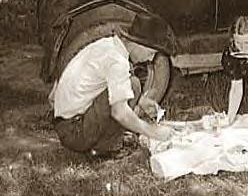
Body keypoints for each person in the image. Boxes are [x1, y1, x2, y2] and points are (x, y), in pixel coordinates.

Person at [49, 13, 174, 157]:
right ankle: (104, 148)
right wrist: (152, 131)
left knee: (131, 84)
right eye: (151, 52)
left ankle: (101, 141)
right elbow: (119, 113)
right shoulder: (117, 61)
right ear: (139, 43)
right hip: (74, 131)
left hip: (65, 123)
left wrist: (141, 102)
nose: (150, 58)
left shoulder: (108, 44)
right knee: (133, 85)